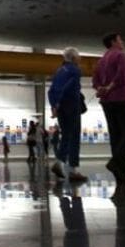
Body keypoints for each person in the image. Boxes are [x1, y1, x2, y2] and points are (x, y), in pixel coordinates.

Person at [93, 33, 125, 184]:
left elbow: (95, 81)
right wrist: (111, 86)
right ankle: (114, 162)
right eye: (120, 39)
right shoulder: (120, 55)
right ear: (113, 42)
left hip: (107, 102)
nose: (122, 42)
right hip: (122, 98)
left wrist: (101, 89)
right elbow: (122, 74)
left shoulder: (101, 61)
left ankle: (121, 176)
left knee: (116, 137)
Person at [48, 48, 86, 182]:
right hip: (71, 106)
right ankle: (70, 169)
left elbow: (51, 90)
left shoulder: (59, 71)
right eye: (79, 56)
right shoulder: (75, 70)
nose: (80, 58)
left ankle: (61, 164)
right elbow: (69, 87)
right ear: (74, 58)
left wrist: (54, 106)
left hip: (60, 109)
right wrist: (59, 102)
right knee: (74, 137)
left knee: (66, 135)